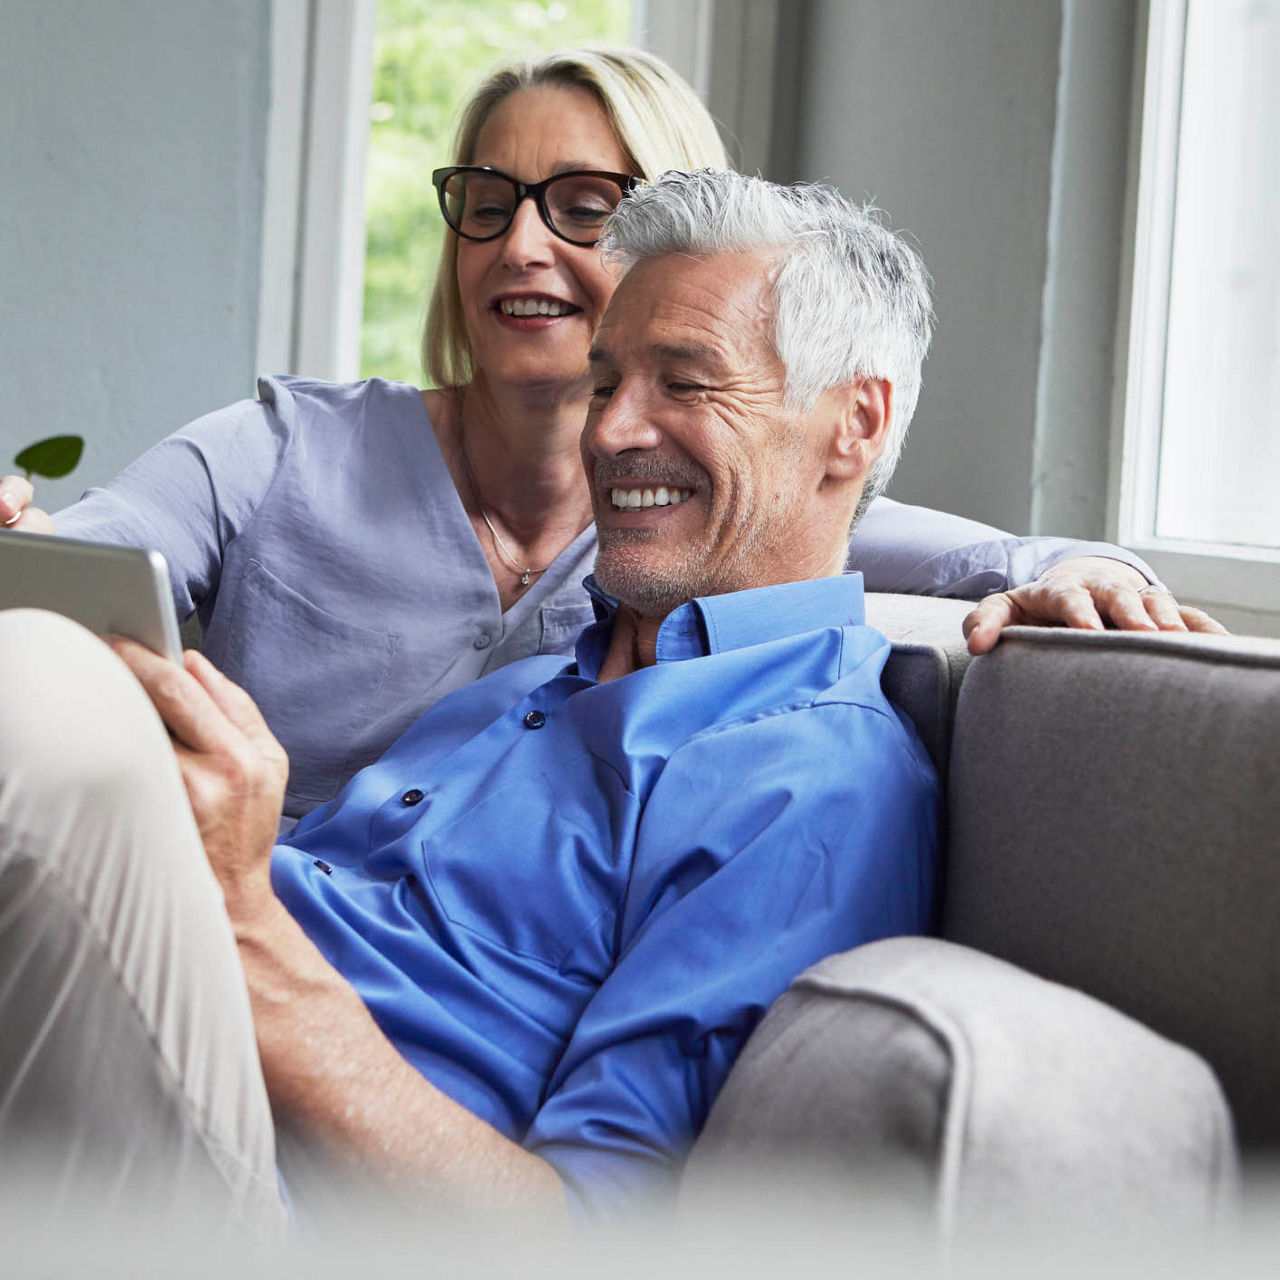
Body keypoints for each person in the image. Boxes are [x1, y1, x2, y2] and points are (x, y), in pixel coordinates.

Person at [0, 170, 942, 1226]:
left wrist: (239, 920)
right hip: (136, 1057)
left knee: (36, 683)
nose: (610, 430)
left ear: (852, 423)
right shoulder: (529, 685)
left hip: (265, 1193)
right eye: (605, 380)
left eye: (684, 382)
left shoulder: (811, 773)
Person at [0, 48, 1222, 823]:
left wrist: (1093, 572)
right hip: (214, 905)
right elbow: (74, 568)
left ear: (672, 245)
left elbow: (997, 554)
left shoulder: (688, 507)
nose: (520, 244)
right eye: (487, 201)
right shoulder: (274, 449)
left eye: (585, 207)